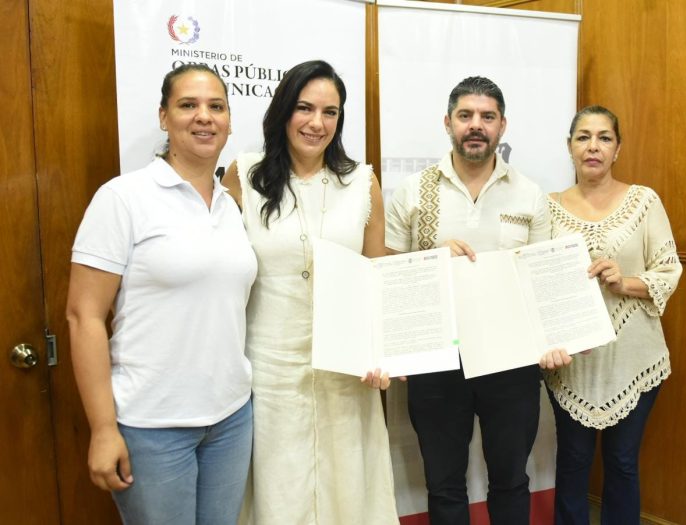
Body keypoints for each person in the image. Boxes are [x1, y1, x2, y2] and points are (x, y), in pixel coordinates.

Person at [65, 64, 257, 524]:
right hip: (152, 427)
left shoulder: (232, 205)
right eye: (188, 105)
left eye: (216, 106)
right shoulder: (124, 197)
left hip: (231, 419)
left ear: (230, 121)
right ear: (163, 116)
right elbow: (83, 316)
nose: (204, 116)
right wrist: (103, 429)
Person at [385, 76, 571, 525]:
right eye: (465, 115)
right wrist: (432, 260)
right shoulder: (412, 191)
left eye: (487, 117)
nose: (476, 125)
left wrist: (555, 339)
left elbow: (542, 280)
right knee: (443, 484)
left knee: (510, 480)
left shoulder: (529, 194)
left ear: (502, 126)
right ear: (447, 122)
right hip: (437, 359)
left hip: (511, 360)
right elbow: (389, 276)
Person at [222, 59, 399, 525]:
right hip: (270, 371)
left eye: (330, 112)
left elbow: (376, 272)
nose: (317, 123)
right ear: (284, 110)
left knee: (349, 491)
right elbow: (223, 274)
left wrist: (384, 352)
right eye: (305, 108)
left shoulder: (361, 182)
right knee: (280, 493)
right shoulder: (243, 175)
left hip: (346, 372)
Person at [543, 105, 682, 525]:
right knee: (572, 460)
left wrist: (624, 282)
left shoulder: (644, 201)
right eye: (583, 137)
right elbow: (537, 281)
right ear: (569, 147)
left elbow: (669, 270)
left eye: (604, 138)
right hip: (572, 362)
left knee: (622, 461)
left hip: (633, 356)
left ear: (617, 149)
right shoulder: (548, 207)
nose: (593, 146)